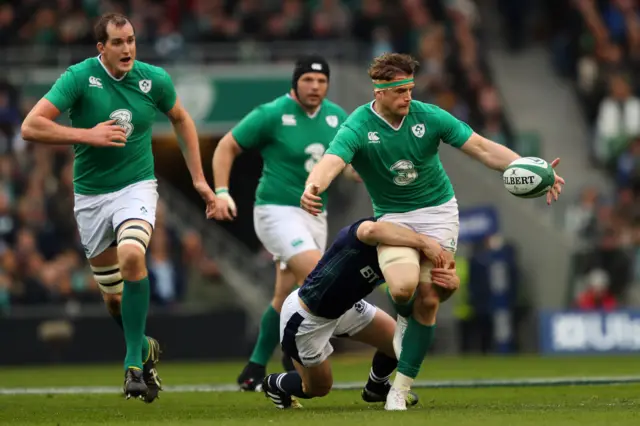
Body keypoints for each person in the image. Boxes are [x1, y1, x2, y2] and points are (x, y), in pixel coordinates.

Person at [300, 53, 565, 410]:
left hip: (439, 214)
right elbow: (331, 162)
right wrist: (312, 187)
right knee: (404, 289)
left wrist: (537, 171)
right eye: (400, 91)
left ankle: (399, 389)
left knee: (429, 297)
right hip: (392, 218)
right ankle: (402, 336)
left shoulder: (430, 116)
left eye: (410, 89)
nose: (408, 97)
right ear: (379, 92)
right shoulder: (358, 124)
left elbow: (483, 148)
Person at [20, 13, 217, 402]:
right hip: (91, 196)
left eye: (130, 40)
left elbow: (181, 118)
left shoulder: (154, 79)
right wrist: (85, 135)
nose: (127, 48)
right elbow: (31, 125)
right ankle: (144, 348)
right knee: (113, 299)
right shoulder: (78, 78)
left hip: (136, 188)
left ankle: (131, 366)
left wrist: (198, 180)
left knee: (132, 254)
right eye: (117, 42)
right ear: (101, 48)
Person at [212, 55, 358, 390]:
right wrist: (221, 191)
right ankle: (295, 359)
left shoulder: (338, 117)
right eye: (308, 80)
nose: (315, 87)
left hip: (314, 216)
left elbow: (348, 163)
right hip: (276, 210)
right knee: (317, 279)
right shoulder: (272, 113)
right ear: (295, 82)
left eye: (321, 81)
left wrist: (356, 172)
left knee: (285, 296)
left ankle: (254, 367)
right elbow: (226, 146)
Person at [262, 218, 458, 409]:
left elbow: (421, 301)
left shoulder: (407, 248)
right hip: (308, 316)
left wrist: (448, 288)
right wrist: (423, 241)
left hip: (347, 307)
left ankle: (376, 387)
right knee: (318, 388)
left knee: (399, 344)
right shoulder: (376, 229)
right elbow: (369, 230)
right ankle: (273, 383)